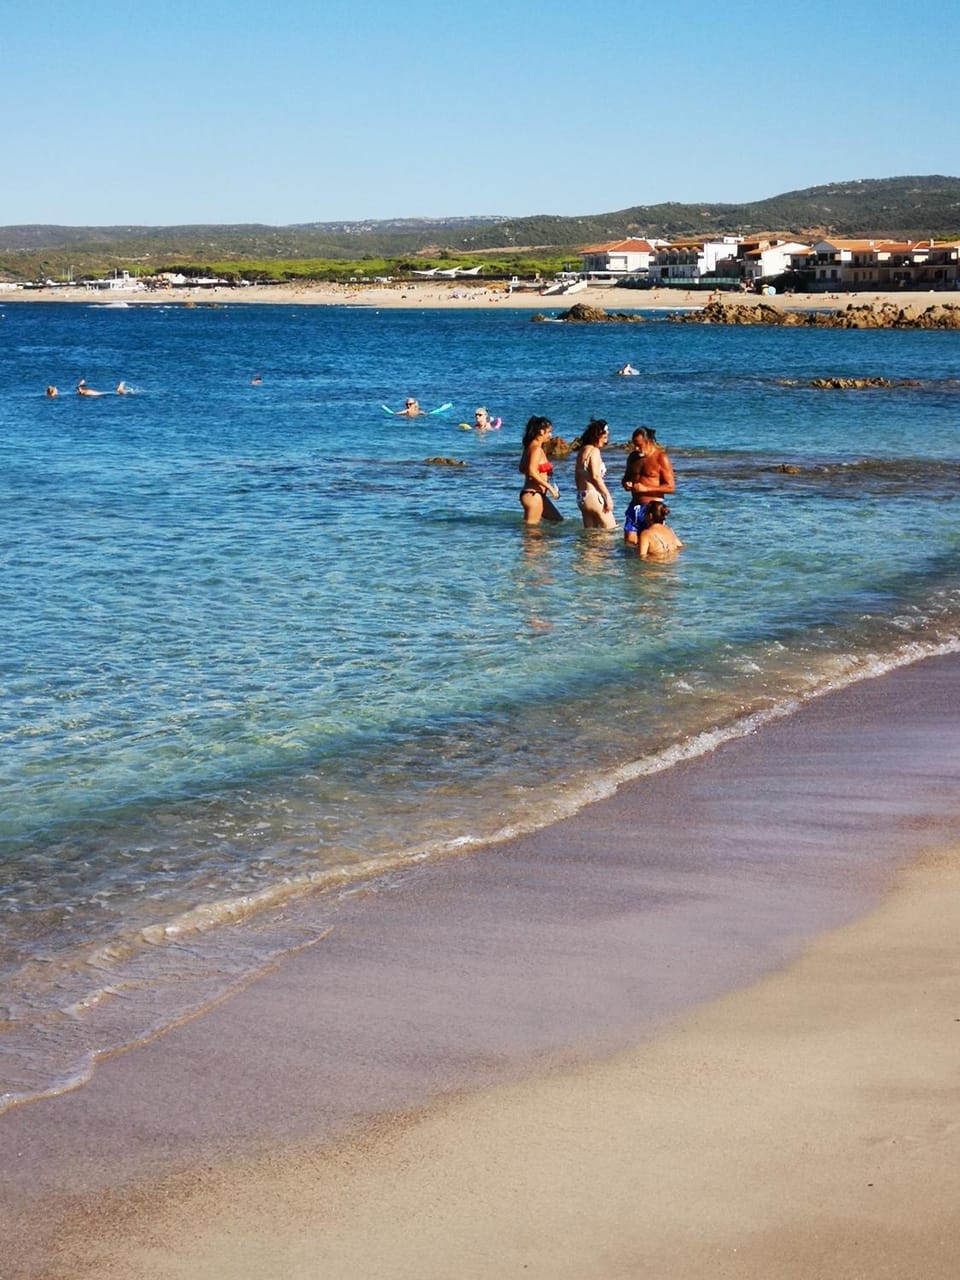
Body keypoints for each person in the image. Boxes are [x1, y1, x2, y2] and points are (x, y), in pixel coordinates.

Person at [621, 425, 675, 545]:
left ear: (649, 442)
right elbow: (625, 478)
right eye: (634, 444)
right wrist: (626, 484)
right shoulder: (632, 457)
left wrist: (645, 489)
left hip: (653, 509)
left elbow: (671, 487)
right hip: (634, 506)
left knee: (651, 546)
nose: (636, 448)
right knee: (629, 545)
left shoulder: (661, 458)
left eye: (639, 445)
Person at [574, 419, 617, 530]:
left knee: (591, 536)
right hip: (593, 495)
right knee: (611, 530)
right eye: (604, 438)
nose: (606, 442)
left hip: (581, 497)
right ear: (597, 436)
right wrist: (607, 497)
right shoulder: (594, 451)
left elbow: (577, 475)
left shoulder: (582, 450)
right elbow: (596, 476)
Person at [518, 416, 562, 525]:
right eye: (549, 432)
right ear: (541, 431)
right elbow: (532, 471)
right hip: (533, 494)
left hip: (534, 494)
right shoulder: (536, 449)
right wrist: (550, 488)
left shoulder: (529, 447)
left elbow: (522, 468)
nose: (550, 435)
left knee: (557, 520)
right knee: (532, 532)